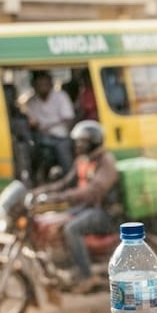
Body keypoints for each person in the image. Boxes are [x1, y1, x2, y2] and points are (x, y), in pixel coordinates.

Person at [33, 120, 119, 294]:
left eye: (82, 142)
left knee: (72, 229)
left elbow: (92, 190)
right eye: (77, 142)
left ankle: (88, 275)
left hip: (103, 211)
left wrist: (61, 198)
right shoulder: (83, 161)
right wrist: (40, 193)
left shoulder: (106, 162)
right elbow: (65, 183)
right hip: (86, 208)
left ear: (93, 142)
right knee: (54, 222)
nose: (78, 145)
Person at [21, 70, 75, 179]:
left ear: (51, 84)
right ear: (34, 86)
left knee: (65, 159)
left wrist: (50, 127)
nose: (42, 87)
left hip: (61, 137)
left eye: (45, 84)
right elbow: (33, 122)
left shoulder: (61, 97)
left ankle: (70, 181)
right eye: (39, 84)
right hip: (41, 138)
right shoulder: (31, 101)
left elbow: (68, 119)